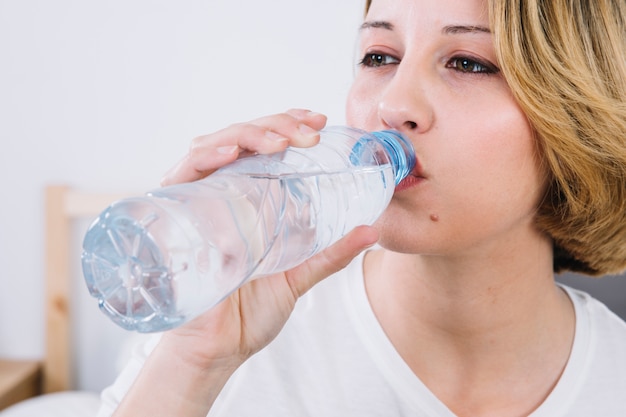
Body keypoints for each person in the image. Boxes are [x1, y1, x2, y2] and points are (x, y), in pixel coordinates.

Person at [97, 0, 626, 415]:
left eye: (469, 63)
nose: (392, 105)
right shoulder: (230, 346)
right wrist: (194, 362)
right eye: (381, 57)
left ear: (579, 113)